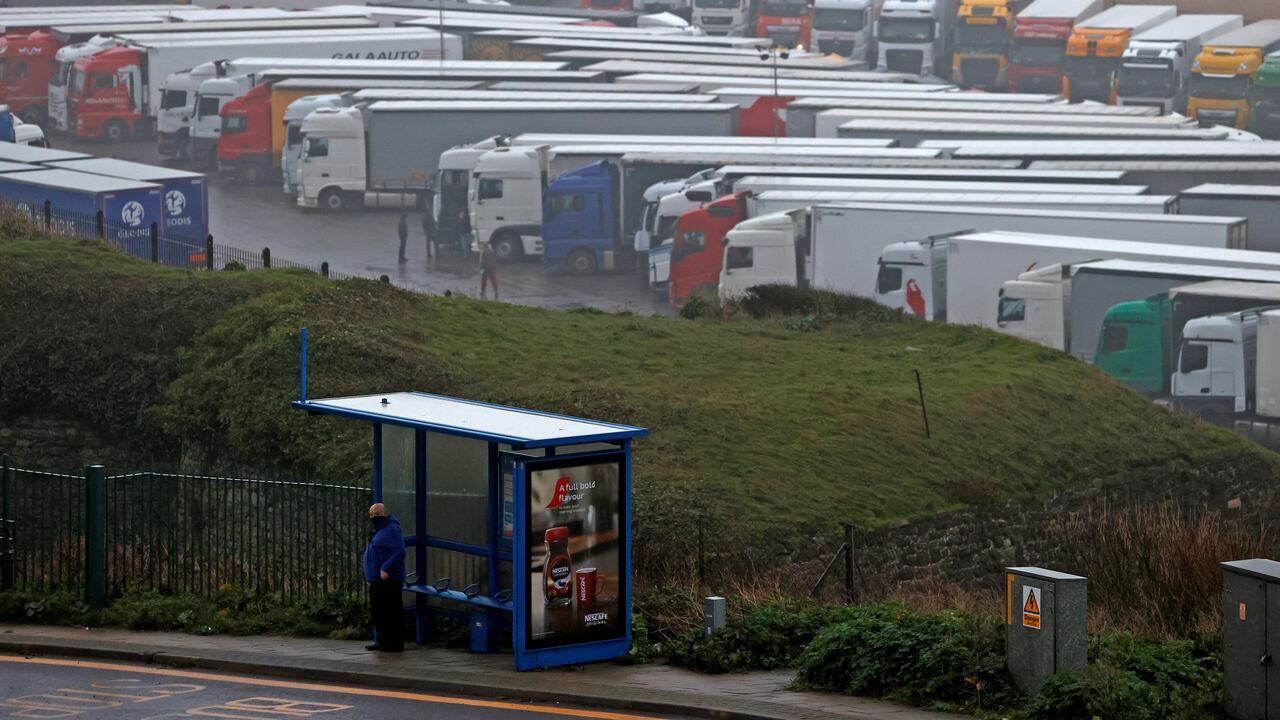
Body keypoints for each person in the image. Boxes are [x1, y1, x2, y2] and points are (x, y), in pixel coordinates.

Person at [363, 502, 406, 652]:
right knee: (378, 612)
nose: (374, 517)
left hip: (389, 578)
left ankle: (395, 643)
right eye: (372, 515)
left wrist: (385, 567)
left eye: (377, 514)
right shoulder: (378, 530)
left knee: (391, 611)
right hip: (376, 578)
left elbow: (400, 551)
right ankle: (381, 640)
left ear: (385, 514)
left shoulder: (392, 529)